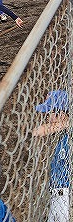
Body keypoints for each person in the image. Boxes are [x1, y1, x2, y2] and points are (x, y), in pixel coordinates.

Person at [33, 90, 70, 222]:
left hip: (65, 194)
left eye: (49, 113)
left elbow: (38, 132)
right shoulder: (62, 131)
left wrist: (67, 123)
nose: (47, 117)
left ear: (60, 113)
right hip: (57, 193)